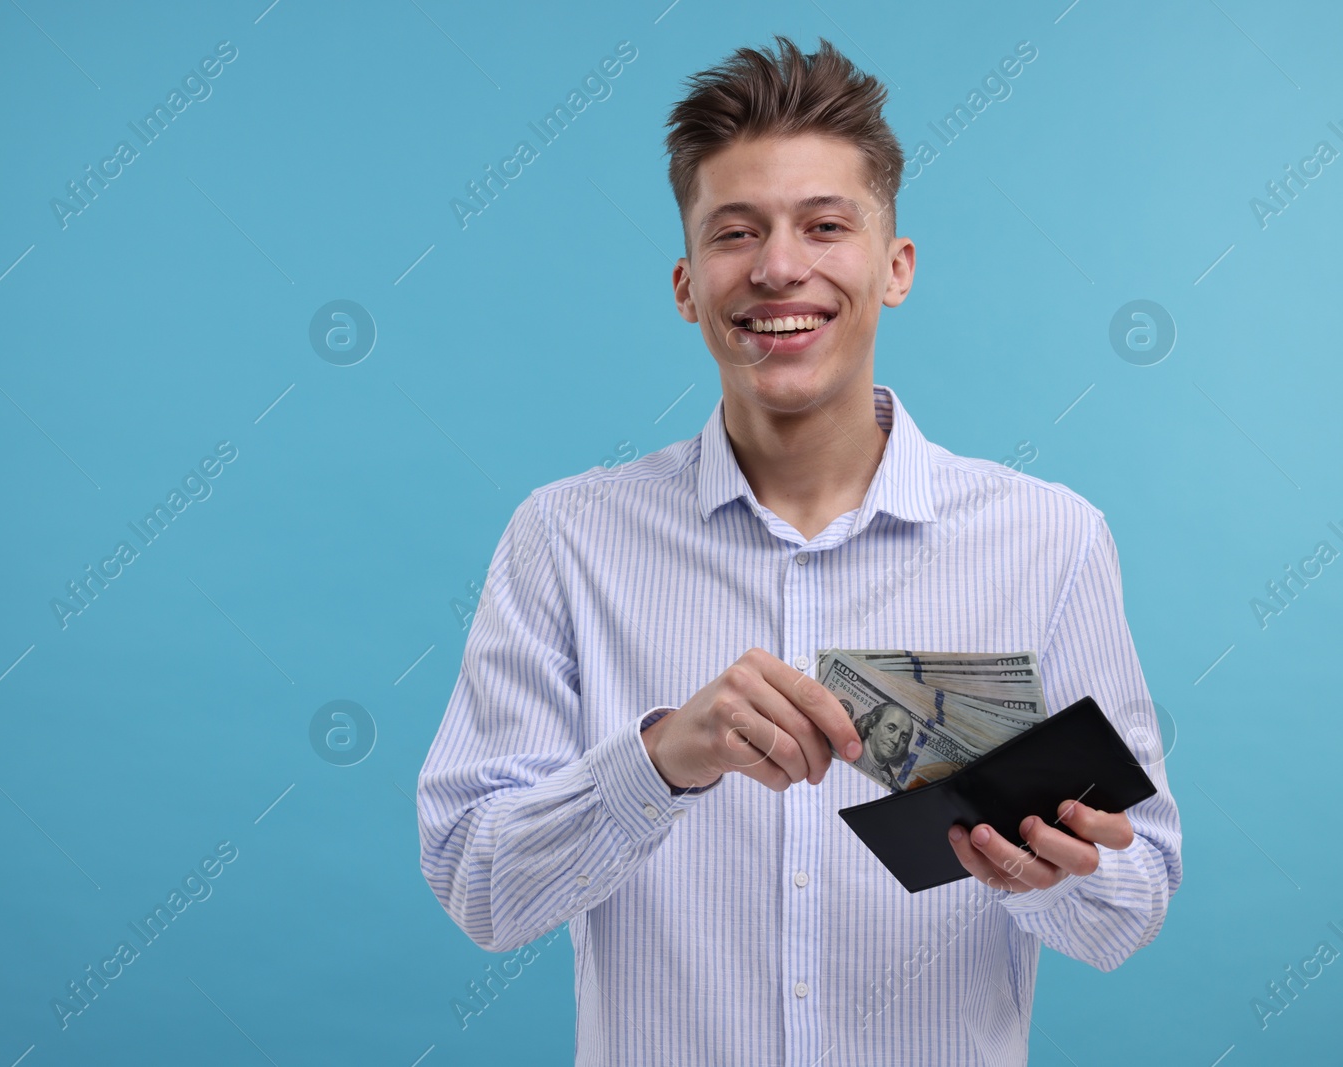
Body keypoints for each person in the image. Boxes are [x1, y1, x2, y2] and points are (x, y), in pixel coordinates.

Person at [417, 34, 1181, 1065]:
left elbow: (1130, 909)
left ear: (894, 266)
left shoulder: (1049, 540)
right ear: (687, 285)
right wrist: (658, 760)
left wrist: (1052, 874)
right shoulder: (564, 539)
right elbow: (480, 887)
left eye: (826, 225)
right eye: (736, 232)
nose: (779, 266)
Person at [852, 701, 912, 791]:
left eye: (903, 737)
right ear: (872, 726)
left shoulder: (896, 789)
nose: (896, 740)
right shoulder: (842, 753)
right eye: (891, 728)